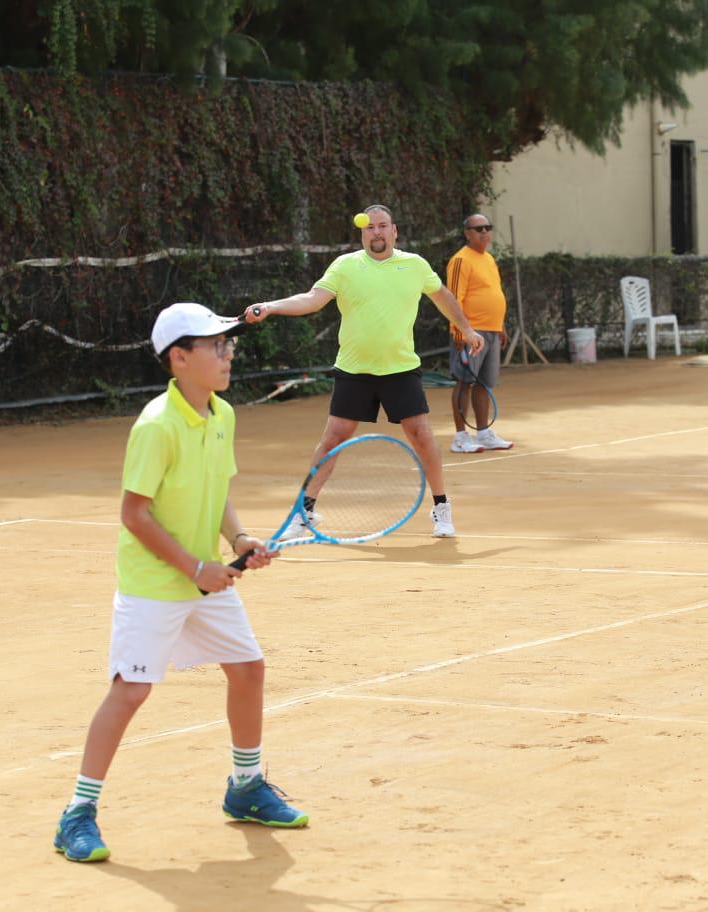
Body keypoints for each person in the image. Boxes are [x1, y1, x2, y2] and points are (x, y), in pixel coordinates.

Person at [52, 302, 307, 864]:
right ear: (179, 358)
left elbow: (218, 491)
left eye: (227, 344)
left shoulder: (223, 414)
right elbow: (134, 514)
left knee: (248, 668)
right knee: (131, 690)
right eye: (216, 346)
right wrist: (194, 568)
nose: (228, 354)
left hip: (205, 579)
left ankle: (245, 787)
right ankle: (77, 815)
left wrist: (239, 538)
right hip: (154, 584)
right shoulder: (157, 426)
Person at [241, 204, 484, 538]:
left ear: (394, 231)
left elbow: (443, 297)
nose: (376, 232)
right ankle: (304, 513)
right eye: (370, 227)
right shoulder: (345, 266)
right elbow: (313, 299)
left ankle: (441, 507)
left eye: (382, 226)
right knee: (333, 438)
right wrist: (271, 306)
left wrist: (466, 330)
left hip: (400, 368)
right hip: (354, 369)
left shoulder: (415, 265)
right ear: (362, 233)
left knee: (421, 435)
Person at [447, 213, 514, 453]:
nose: (484, 232)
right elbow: (453, 299)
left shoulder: (489, 259)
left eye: (487, 227)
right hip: (471, 332)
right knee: (465, 381)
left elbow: (493, 293)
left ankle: (484, 434)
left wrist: (500, 326)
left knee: (484, 383)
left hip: (492, 330)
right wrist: (459, 332)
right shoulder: (460, 260)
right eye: (478, 229)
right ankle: (460, 437)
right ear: (467, 233)